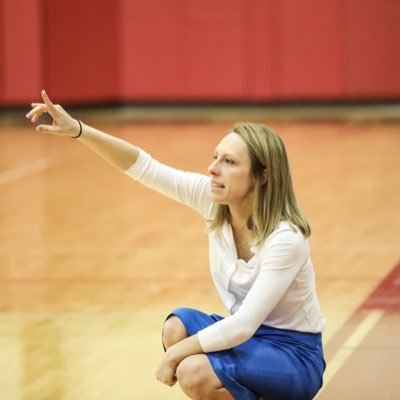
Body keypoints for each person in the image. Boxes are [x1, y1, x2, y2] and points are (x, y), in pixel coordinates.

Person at [26, 90, 326, 400]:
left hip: (294, 355)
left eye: (229, 162)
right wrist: (79, 129)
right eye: (215, 157)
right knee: (176, 327)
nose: (213, 169)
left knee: (192, 371)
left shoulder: (286, 238)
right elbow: (145, 167)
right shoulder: (213, 200)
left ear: (263, 176)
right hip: (247, 340)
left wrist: (174, 356)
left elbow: (245, 324)